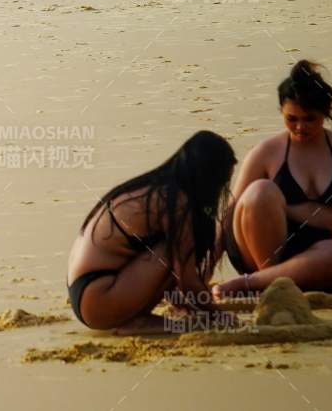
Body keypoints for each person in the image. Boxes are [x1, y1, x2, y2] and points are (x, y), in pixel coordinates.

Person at [214, 61, 332, 296]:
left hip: (313, 255)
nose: (300, 127)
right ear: (281, 110)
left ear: (326, 111)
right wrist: (202, 272)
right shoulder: (266, 152)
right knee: (260, 191)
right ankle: (267, 283)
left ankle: (261, 284)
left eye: (310, 119)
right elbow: (229, 214)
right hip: (260, 252)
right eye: (292, 118)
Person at [67, 131, 237, 332]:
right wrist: (221, 317)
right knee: (174, 252)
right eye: (221, 184)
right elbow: (187, 280)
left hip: (87, 293)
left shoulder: (159, 189)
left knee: (174, 252)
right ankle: (131, 321)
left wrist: (187, 302)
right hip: (97, 298)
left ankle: (132, 317)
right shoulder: (176, 203)